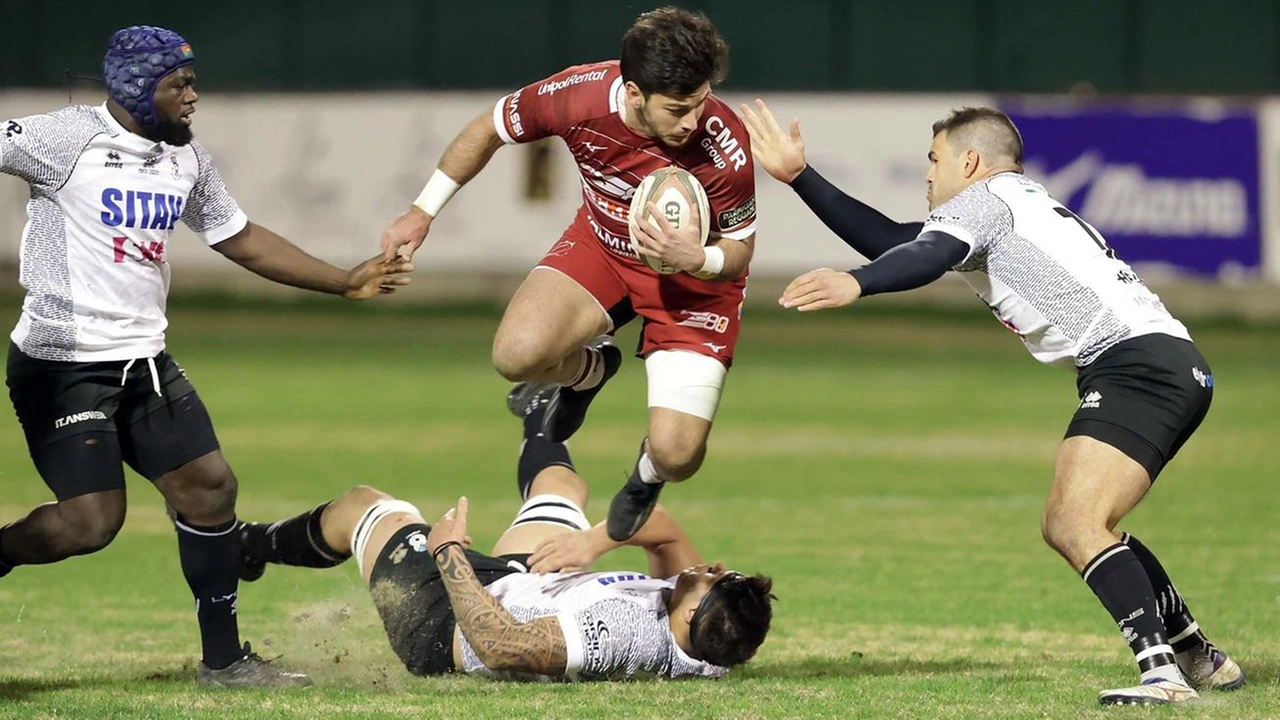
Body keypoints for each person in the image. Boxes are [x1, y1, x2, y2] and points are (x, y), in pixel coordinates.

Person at [741, 100, 1243, 705]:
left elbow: (919, 257)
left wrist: (858, 280)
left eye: (934, 160)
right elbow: (901, 240)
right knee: (1090, 522)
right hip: (1163, 363)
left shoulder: (986, 201)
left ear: (970, 161)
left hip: (1138, 366)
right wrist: (801, 178)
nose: (926, 174)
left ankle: (1161, 674)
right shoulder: (1011, 204)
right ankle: (1197, 655)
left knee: (1072, 521)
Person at [0, 25, 413, 687]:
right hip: (62, 367)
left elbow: (239, 238)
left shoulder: (185, 158)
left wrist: (344, 281)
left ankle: (224, 662)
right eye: (179, 84)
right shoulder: (64, 138)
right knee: (90, 524)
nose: (194, 95)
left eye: (193, 81)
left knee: (211, 488)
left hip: (144, 362)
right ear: (137, 85)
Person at [378, 7, 759, 542]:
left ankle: (646, 478)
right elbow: (487, 128)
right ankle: (590, 373)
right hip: (603, 249)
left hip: (696, 285)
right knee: (515, 356)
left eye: (698, 103)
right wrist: (423, 210)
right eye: (677, 109)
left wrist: (700, 259)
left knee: (678, 454)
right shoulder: (576, 96)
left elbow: (740, 248)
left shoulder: (723, 141)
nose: (692, 121)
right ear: (633, 93)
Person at [237, 387, 774, 681]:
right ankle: (540, 404)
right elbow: (662, 532)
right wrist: (592, 543)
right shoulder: (703, 643)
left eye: (714, 580)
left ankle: (249, 545)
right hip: (526, 585)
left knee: (367, 505)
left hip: (448, 622)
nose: (712, 567)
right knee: (562, 484)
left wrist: (447, 555)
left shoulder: (618, 634)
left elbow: (497, 647)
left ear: (688, 616)